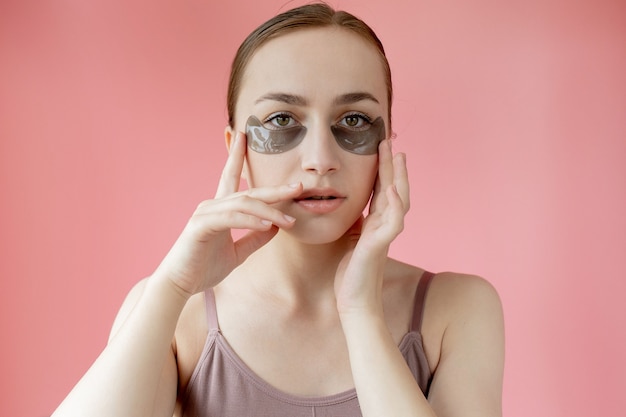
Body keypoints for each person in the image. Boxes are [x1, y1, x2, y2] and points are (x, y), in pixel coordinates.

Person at [51, 3, 504, 417]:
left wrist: (361, 313)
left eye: (354, 120)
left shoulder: (457, 310)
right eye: (282, 120)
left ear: (387, 145)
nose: (320, 158)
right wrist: (172, 286)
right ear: (237, 149)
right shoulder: (174, 313)